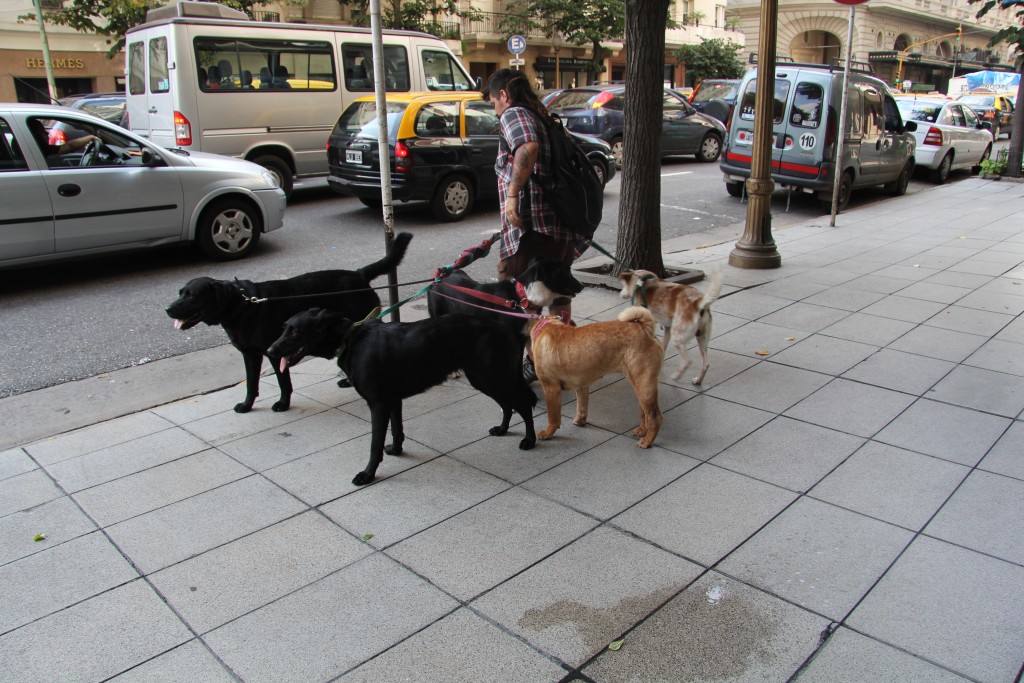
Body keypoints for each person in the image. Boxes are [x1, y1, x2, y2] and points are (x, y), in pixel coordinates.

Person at [486, 68, 586, 380]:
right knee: (557, 292)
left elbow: (527, 147)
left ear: (503, 94)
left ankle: (530, 361)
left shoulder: (514, 113)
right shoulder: (542, 115)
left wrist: (513, 195)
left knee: (515, 294)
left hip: (530, 229)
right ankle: (562, 357)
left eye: (493, 102)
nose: (495, 109)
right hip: (558, 225)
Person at [27, 118, 101, 164]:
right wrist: (91, 137)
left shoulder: (32, 149)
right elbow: (69, 146)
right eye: (42, 131)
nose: (47, 133)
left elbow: (69, 146)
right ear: (35, 134)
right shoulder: (41, 149)